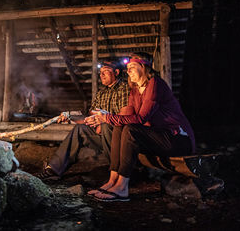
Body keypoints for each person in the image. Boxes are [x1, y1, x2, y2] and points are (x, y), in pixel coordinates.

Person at [85, 52, 195, 202]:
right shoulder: (135, 91)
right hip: (158, 137)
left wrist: (108, 117)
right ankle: (112, 180)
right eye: (127, 68)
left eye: (132, 67)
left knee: (130, 130)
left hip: (177, 139)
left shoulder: (155, 83)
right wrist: (102, 117)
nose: (128, 71)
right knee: (120, 127)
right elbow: (125, 116)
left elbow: (141, 118)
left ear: (144, 68)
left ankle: (122, 187)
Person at [37, 60, 131, 180]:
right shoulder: (101, 93)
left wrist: (103, 121)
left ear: (116, 72)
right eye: (100, 72)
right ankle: (54, 169)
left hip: (119, 137)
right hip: (102, 135)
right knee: (80, 129)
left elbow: (124, 116)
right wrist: (70, 117)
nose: (101, 75)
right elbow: (89, 117)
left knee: (106, 127)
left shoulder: (124, 88)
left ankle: (118, 173)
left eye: (105, 72)